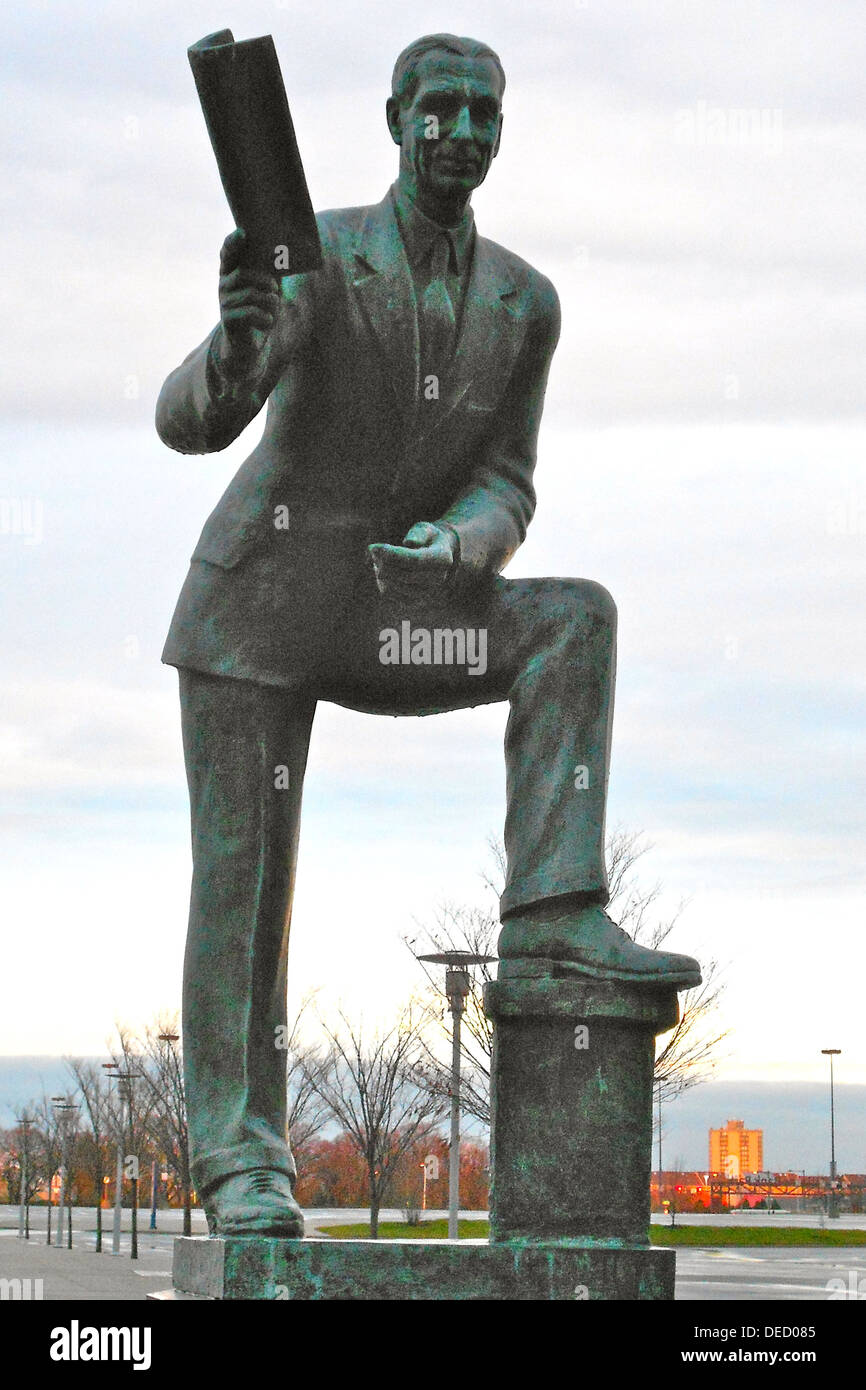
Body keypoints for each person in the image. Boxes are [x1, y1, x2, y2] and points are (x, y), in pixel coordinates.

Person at [156, 33, 700, 1237]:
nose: (458, 129)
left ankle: (551, 911)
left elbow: (507, 478)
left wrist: (461, 546)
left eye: (481, 112)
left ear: (500, 133)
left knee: (572, 620)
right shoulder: (317, 255)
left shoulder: (525, 302)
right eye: (436, 108)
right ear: (394, 120)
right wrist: (241, 335)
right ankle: (242, 1161)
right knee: (245, 890)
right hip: (259, 610)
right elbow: (192, 419)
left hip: (402, 616)